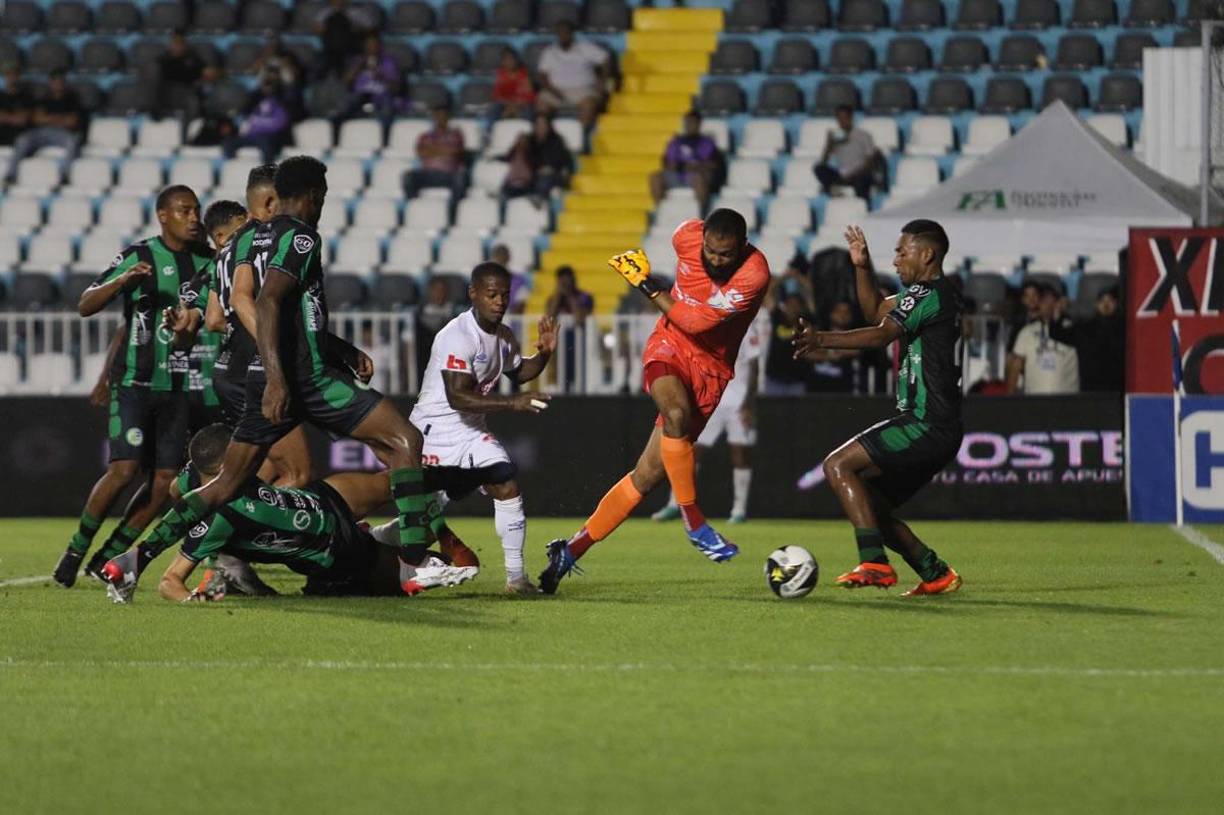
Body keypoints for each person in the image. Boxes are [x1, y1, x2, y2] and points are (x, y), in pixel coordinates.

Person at [102, 157, 470, 602]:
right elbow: (271, 302)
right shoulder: (301, 236)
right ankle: (413, 559)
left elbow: (241, 299)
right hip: (304, 377)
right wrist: (280, 378)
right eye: (324, 197)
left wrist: (327, 353)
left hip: (260, 376)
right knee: (404, 440)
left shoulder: (243, 239)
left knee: (227, 483)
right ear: (313, 195)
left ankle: (131, 563)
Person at [538, 210, 771, 594]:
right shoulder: (686, 236)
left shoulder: (754, 274)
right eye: (710, 252)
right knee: (675, 413)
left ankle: (569, 551)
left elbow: (698, 323)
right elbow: (683, 326)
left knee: (645, 476)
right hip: (669, 345)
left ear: (742, 248)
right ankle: (695, 522)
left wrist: (646, 283)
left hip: (711, 370)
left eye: (725, 255)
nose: (715, 260)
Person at [51, 186, 214, 587]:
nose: (194, 217)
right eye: (184, 210)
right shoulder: (139, 256)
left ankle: (106, 559)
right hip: (134, 383)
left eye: (196, 210)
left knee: (163, 483)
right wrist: (122, 281)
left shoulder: (207, 261)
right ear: (162, 215)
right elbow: (86, 305)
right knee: (123, 470)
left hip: (177, 387)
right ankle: (76, 550)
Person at [792, 222, 963, 596]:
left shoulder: (930, 295)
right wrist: (862, 267)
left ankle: (874, 563)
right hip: (936, 425)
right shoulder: (926, 296)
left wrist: (822, 338)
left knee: (837, 465)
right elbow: (874, 312)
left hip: (926, 421)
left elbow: (881, 334)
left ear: (927, 254)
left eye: (903, 252)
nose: (897, 259)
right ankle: (934, 572)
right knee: (870, 504)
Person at [156, 424, 479, 602]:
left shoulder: (192, 480)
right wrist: (192, 600)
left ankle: (471, 476)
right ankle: (378, 538)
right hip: (336, 552)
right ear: (226, 465)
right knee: (435, 567)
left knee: (395, 482)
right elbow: (170, 581)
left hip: (325, 497)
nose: (251, 455)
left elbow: (175, 489)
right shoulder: (215, 519)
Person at [411, 263, 558, 594]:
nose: (499, 301)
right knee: (423, 523)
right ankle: (370, 546)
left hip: (471, 432)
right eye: (491, 294)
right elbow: (458, 397)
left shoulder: (503, 336)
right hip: (434, 432)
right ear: (473, 294)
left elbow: (520, 372)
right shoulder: (457, 335)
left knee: (507, 485)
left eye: (504, 295)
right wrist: (512, 404)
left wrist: (545, 353)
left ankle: (517, 579)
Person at [652, 307, 770, 524]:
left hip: (738, 401)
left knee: (740, 454)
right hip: (711, 399)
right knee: (691, 452)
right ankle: (674, 504)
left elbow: (753, 366)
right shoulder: (708, 326)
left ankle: (739, 509)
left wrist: (748, 404)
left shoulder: (745, 328)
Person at [3, 70, 84, 184]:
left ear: (64, 83)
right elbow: (37, 119)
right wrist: (60, 118)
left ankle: (64, 175)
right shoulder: (44, 99)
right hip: (41, 132)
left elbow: (72, 121)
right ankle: (11, 175)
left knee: (72, 141)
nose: (58, 83)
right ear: (50, 83)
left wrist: (48, 118)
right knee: (22, 140)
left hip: (61, 133)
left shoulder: (72, 100)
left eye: (60, 81)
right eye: (55, 81)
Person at [1005, 282, 1079, 395]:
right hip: (1035, 400)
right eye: (1044, 301)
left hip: (1067, 401)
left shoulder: (1073, 328)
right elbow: (1016, 365)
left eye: (1051, 301)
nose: (1048, 305)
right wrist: (1009, 398)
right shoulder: (1027, 332)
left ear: (1058, 303)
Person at [536, 20, 609, 129]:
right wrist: (552, 90)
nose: (563, 35)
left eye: (566, 32)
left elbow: (606, 60)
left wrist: (602, 81)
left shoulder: (585, 48)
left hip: (582, 90)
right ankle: (549, 136)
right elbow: (542, 76)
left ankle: (577, 135)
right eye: (560, 33)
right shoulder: (549, 52)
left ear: (572, 33)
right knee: (541, 104)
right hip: (556, 90)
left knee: (589, 105)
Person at [1057, 286, 1124, 393]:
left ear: (1116, 304)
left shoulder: (1124, 330)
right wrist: (1059, 313)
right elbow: (1058, 334)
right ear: (1096, 305)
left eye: (1110, 301)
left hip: (1116, 391)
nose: (1106, 305)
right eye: (1102, 301)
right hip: (1090, 391)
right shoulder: (1084, 328)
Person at [650, 111, 721, 212]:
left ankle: (701, 213)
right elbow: (668, 164)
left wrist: (693, 167)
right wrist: (685, 166)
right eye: (687, 122)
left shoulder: (707, 142)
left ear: (699, 124)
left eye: (692, 122)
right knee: (655, 177)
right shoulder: (676, 142)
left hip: (695, 177)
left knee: (699, 178)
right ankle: (660, 211)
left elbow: (712, 164)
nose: (689, 125)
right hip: (677, 176)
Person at [813, 106, 879, 202]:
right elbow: (824, 161)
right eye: (839, 119)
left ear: (851, 118)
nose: (842, 122)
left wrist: (856, 173)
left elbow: (870, 159)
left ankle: (863, 205)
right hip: (842, 174)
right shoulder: (836, 136)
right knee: (819, 168)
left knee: (863, 179)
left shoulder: (863, 135)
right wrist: (829, 144)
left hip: (859, 173)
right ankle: (834, 191)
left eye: (844, 118)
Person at [500, 113, 573, 200]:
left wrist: (552, 169)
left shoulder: (557, 140)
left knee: (544, 179)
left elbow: (566, 161)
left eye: (543, 124)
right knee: (513, 183)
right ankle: (504, 198)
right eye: (538, 124)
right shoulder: (529, 140)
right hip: (533, 174)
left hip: (553, 175)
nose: (540, 127)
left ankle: (537, 198)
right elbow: (514, 154)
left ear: (548, 126)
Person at [223, 76, 294, 164]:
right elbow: (247, 119)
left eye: (270, 86)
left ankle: (268, 172)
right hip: (251, 137)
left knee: (266, 144)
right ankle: (233, 168)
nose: (266, 89)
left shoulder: (280, 103)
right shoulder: (255, 101)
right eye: (265, 86)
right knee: (229, 143)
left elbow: (280, 123)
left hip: (270, 137)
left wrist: (259, 123)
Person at [544, 265, 593, 391]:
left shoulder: (584, 297)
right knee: (561, 374)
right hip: (560, 342)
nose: (565, 284)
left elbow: (580, 319)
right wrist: (558, 297)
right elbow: (549, 317)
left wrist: (570, 296)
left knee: (580, 374)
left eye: (567, 281)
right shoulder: (552, 299)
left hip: (580, 342)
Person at [403, 106, 467, 200]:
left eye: (443, 116)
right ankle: (414, 206)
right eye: (437, 116)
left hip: (449, 174)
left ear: (448, 118)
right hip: (427, 174)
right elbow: (421, 153)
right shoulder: (425, 136)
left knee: (460, 179)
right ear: (434, 117)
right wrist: (445, 149)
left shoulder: (456, 134)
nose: (440, 118)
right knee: (408, 177)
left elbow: (454, 152)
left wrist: (431, 150)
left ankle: (454, 212)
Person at [342, 33, 404, 125]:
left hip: (381, 96)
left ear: (379, 47)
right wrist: (358, 68)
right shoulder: (358, 61)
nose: (371, 48)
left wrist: (382, 76)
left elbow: (395, 89)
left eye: (374, 45)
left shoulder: (389, 62)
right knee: (346, 103)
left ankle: (383, 133)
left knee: (387, 105)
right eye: (368, 45)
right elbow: (345, 83)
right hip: (361, 96)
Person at [414, 276, 462, 385]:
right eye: (436, 290)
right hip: (425, 359)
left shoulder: (454, 314)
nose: (439, 294)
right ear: (430, 291)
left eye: (442, 290)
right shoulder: (419, 315)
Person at [764, 292, 814, 395]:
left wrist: (799, 278)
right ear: (785, 306)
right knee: (773, 411)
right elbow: (768, 295)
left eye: (796, 305)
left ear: (801, 307)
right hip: (775, 378)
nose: (793, 308)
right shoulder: (777, 317)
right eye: (790, 304)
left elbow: (811, 300)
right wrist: (784, 277)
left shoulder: (804, 323)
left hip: (797, 380)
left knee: (797, 411)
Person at [314, 0, 374, 78]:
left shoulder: (358, 12)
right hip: (331, 46)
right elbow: (316, 30)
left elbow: (371, 29)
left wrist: (357, 29)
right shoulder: (324, 13)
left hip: (353, 45)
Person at [154, 31, 204, 119]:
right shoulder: (162, 60)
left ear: (184, 45)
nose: (177, 46)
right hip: (167, 93)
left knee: (193, 99)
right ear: (170, 45)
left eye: (180, 43)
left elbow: (203, 73)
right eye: (174, 43)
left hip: (187, 92)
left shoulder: (192, 59)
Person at [492, 48, 535, 119]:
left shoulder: (524, 74)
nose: (509, 62)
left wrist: (516, 105)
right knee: (495, 108)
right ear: (502, 62)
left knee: (528, 109)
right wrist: (509, 105)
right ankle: (487, 129)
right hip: (505, 105)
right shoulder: (500, 75)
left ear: (516, 61)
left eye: (511, 59)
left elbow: (529, 96)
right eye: (506, 59)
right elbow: (496, 96)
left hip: (521, 105)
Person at [0, 64, 33, 148]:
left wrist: (5, 116)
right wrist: (14, 117)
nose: (12, 77)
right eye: (8, 74)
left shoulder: (27, 97)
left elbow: (23, 120)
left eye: (14, 74)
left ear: (19, 76)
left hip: (21, 139)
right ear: (4, 76)